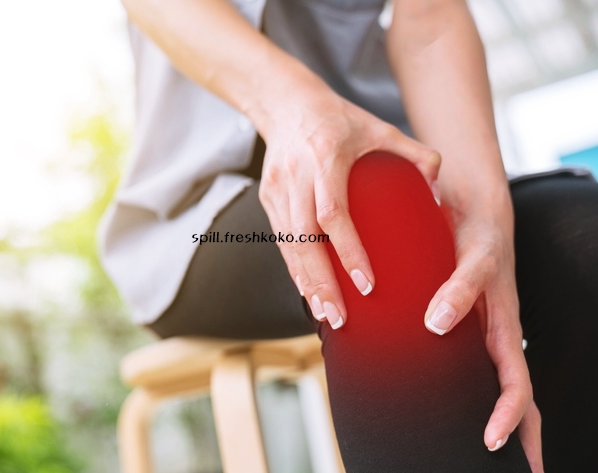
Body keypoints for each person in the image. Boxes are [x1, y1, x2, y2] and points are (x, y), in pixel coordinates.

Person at [99, 0, 598, 471]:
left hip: (399, 161)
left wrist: (480, 214)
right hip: (201, 223)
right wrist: (298, 112)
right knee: (369, 219)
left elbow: (429, 18)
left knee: (581, 234)